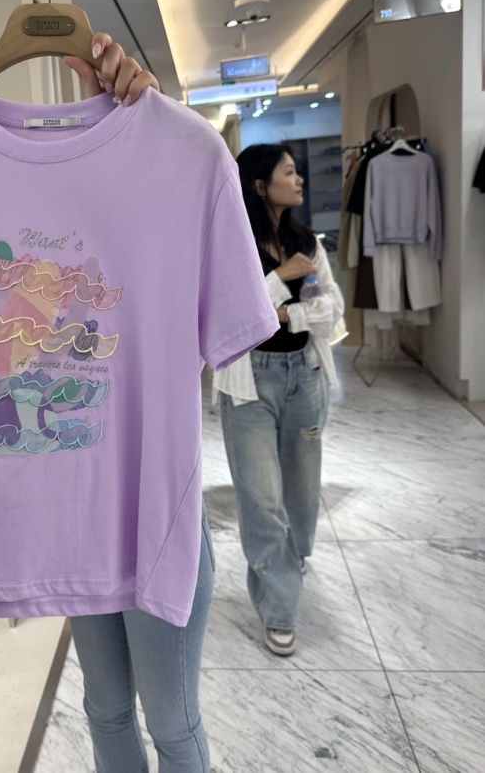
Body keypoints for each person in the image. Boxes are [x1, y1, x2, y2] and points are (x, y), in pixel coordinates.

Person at [64, 36, 213, 773]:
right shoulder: (42, 246)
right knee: (105, 708)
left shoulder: (169, 194)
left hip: (158, 519)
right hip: (75, 517)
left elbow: (185, 179)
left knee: (172, 721)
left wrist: (152, 125)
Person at [213, 144, 345, 657]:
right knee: (262, 499)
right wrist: (280, 280)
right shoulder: (233, 246)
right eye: (289, 172)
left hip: (304, 376)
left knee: (302, 492)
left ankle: (294, 556)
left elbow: (331, 310)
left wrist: (289, 315)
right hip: (250, 383)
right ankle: (278, 607)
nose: (299, 179)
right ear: (260, 185)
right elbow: (229, 316)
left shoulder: (307, 243)